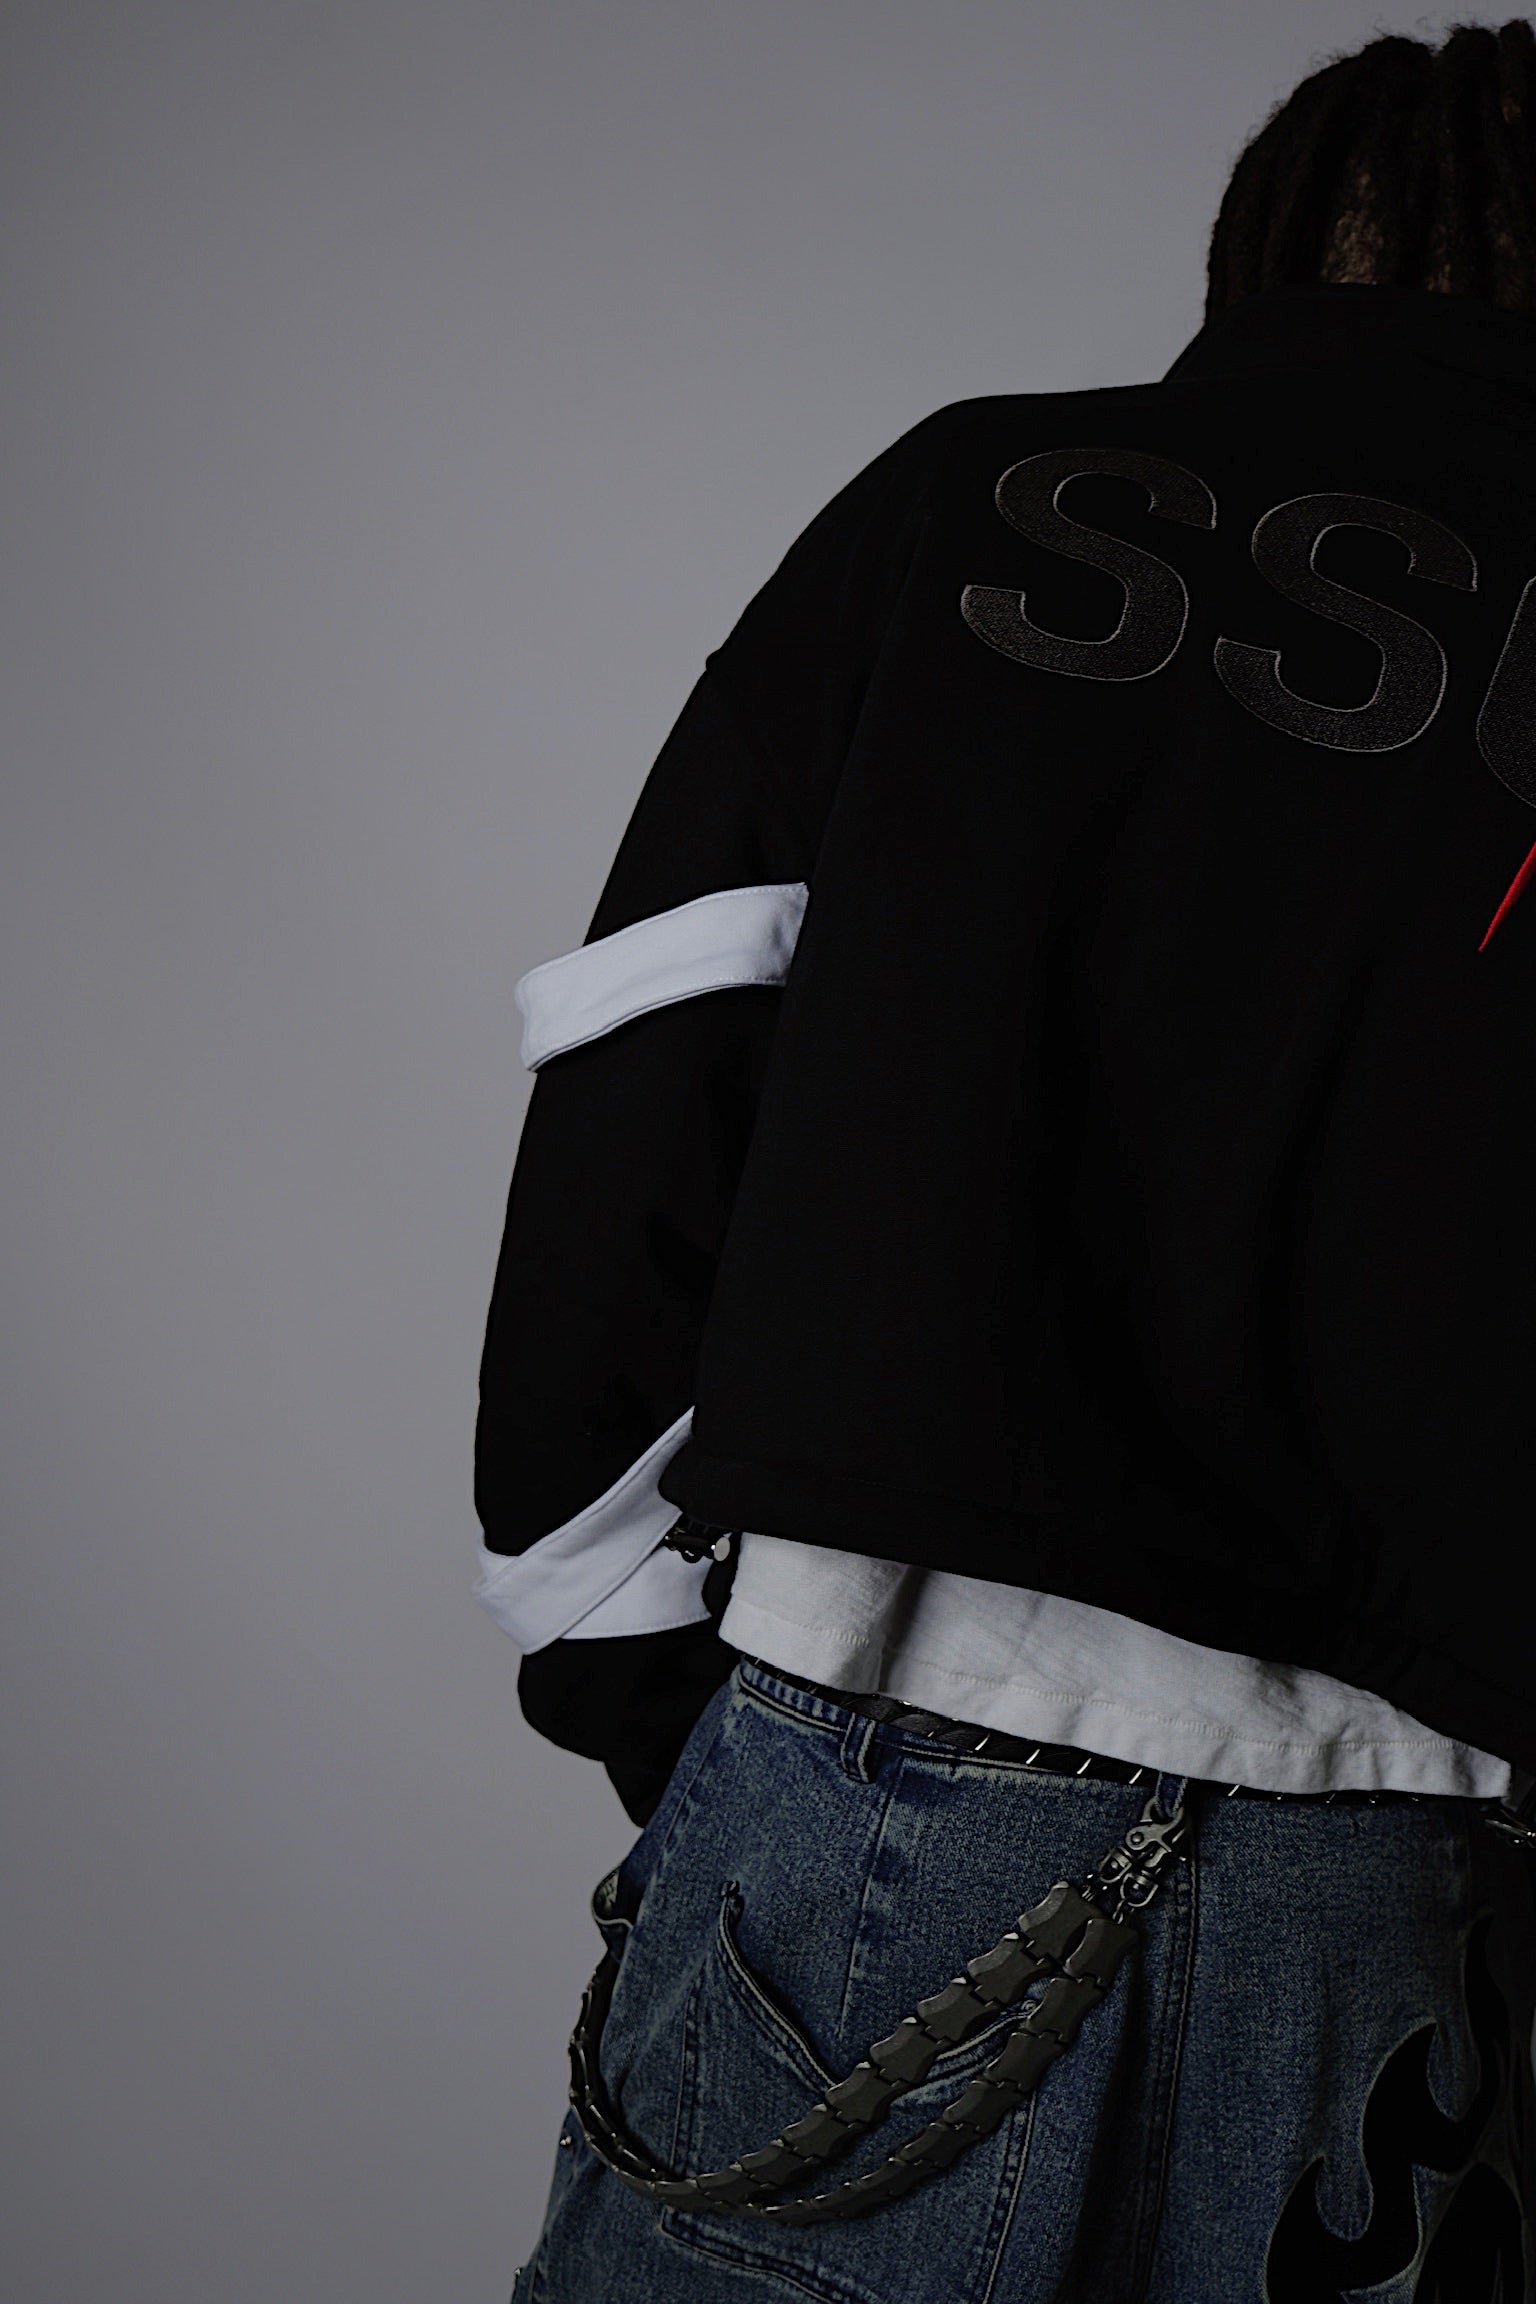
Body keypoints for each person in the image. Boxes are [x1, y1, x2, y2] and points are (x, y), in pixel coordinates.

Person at [478, 23, 1536, 2300]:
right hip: (1411, 1903)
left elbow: (652, 1053)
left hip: (866, 1793)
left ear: (1269, 253)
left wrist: (642, 1688)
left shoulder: (974, 500)